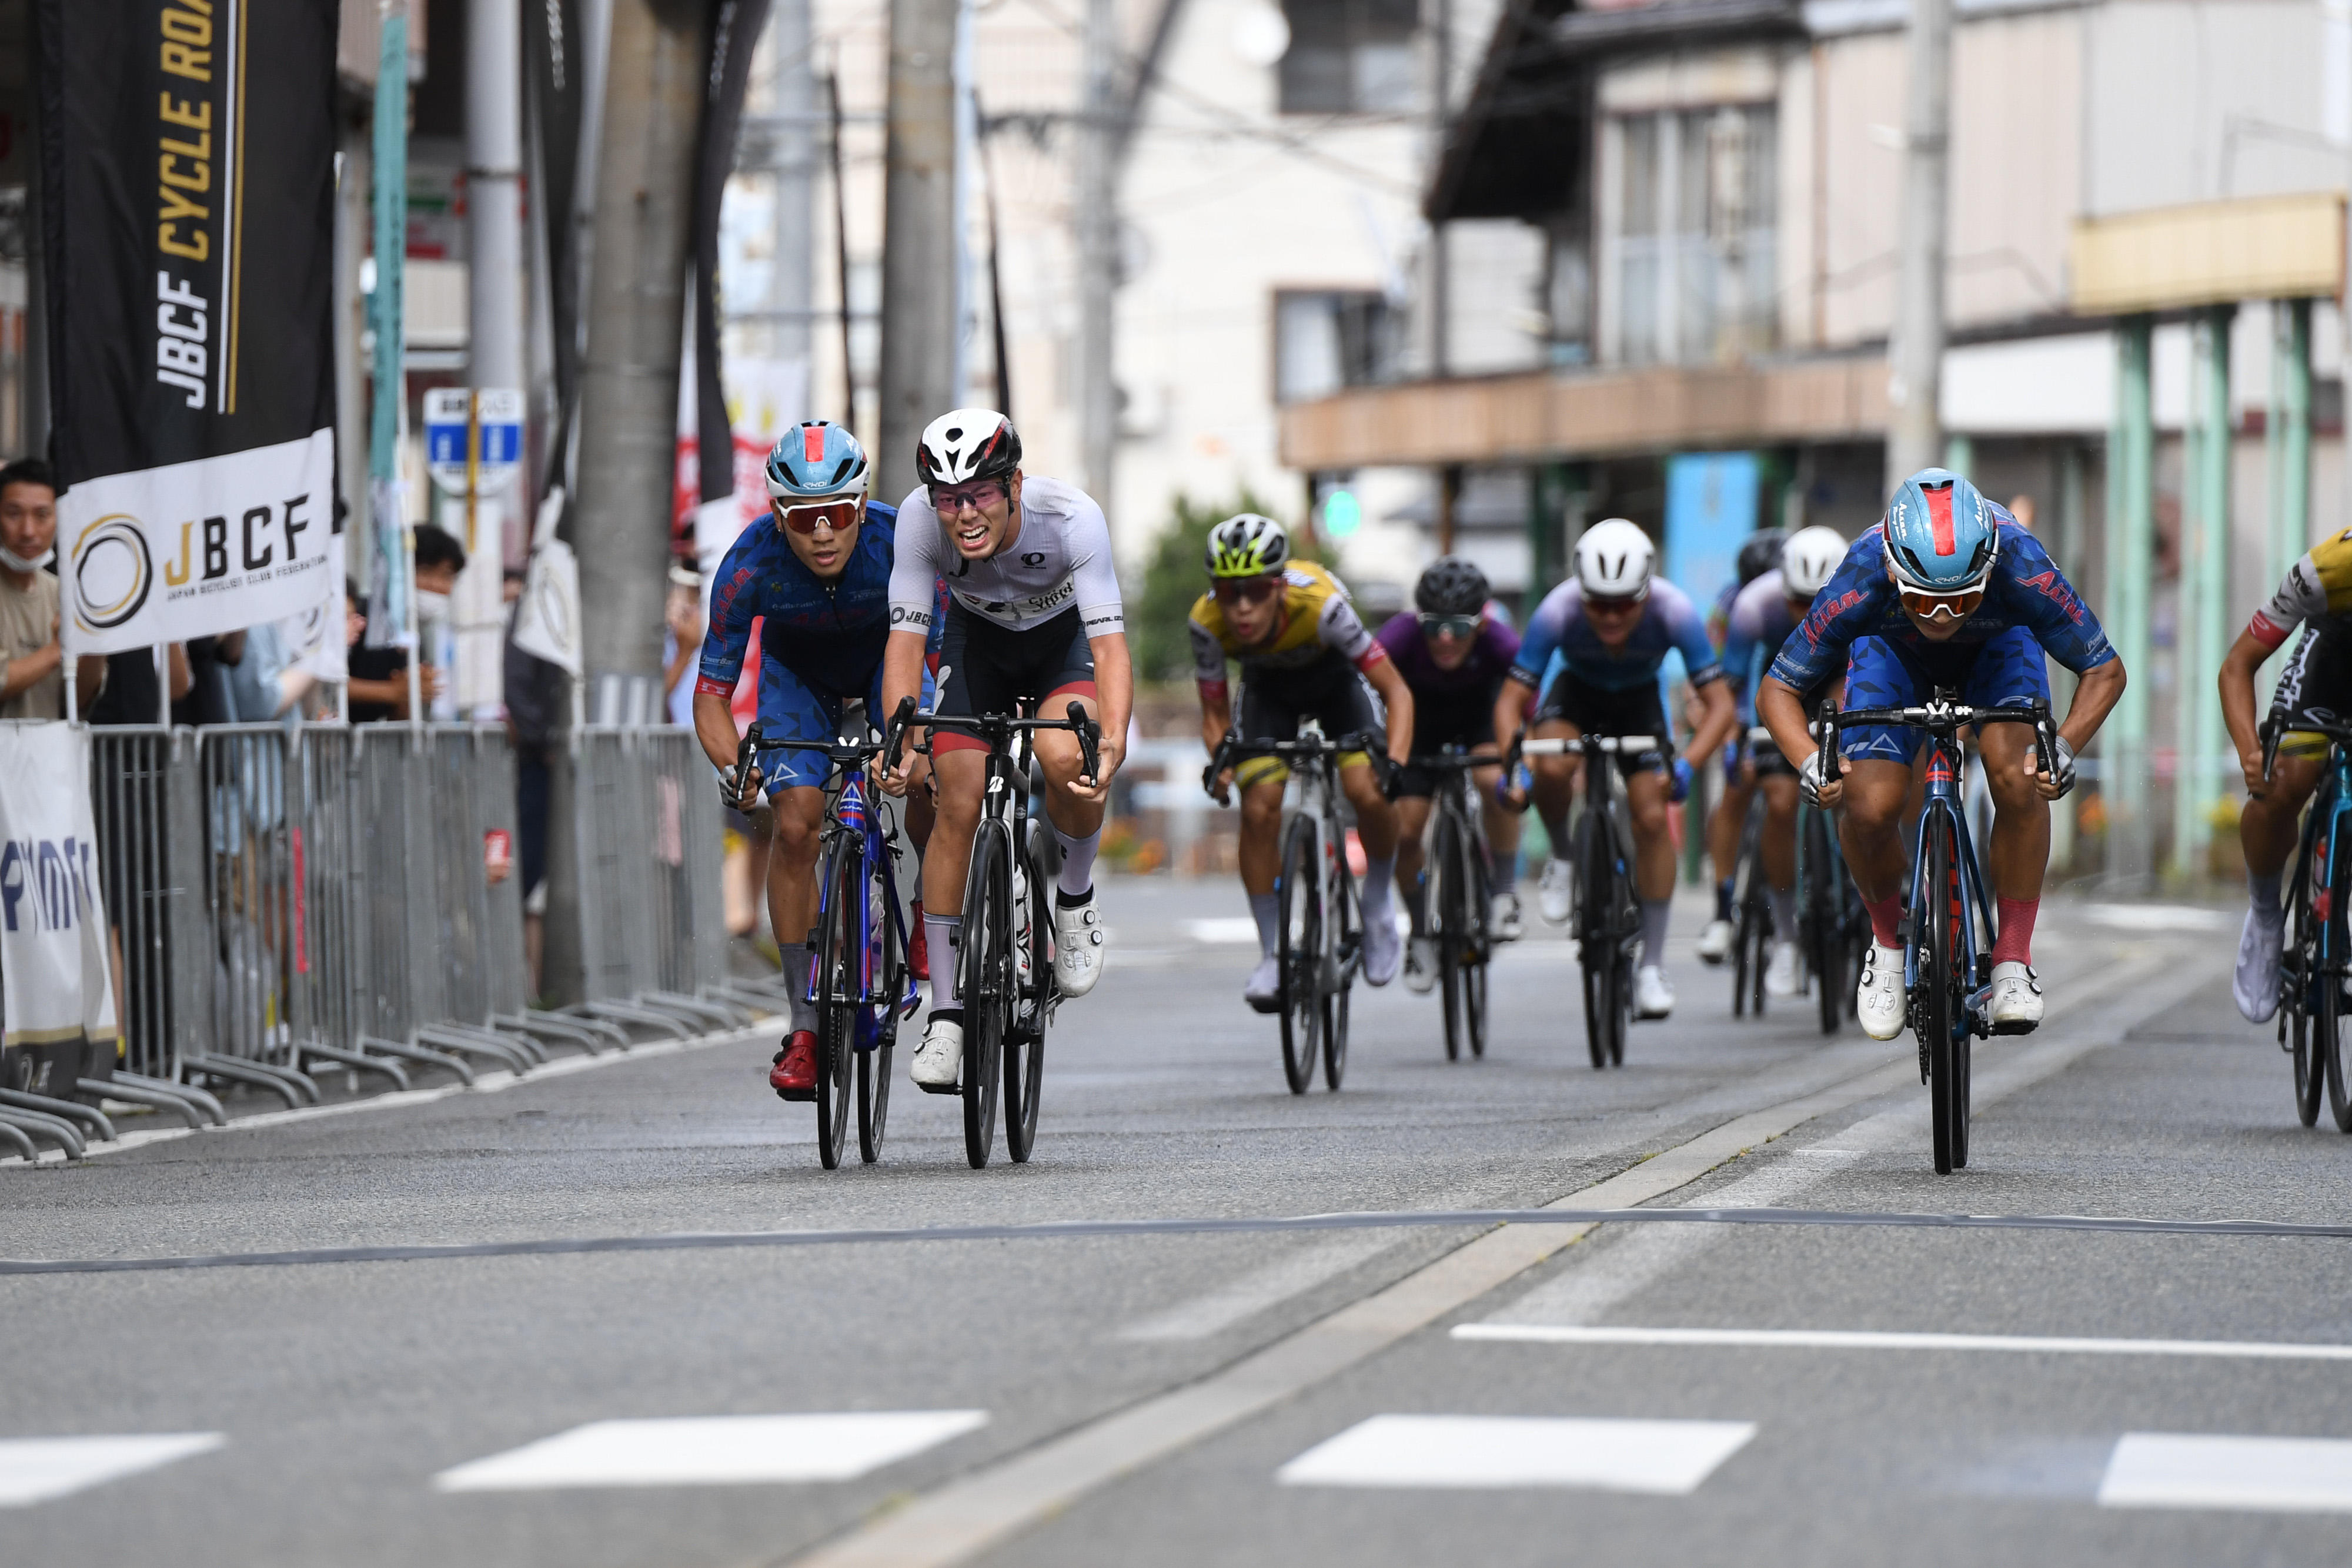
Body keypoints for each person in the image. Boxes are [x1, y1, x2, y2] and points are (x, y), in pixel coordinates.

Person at [1755, 469, 2124, 1039]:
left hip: (1998, 652)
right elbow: (1777, 689)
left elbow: (2103, 670)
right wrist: (1810, 761)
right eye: (1924, 601)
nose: (1943, 617)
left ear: (1989, 567)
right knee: (1869, 802)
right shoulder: (1861, 571)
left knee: (2018, 774)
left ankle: (2011, 959)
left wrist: (2065, 746)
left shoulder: (2020, 562)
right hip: (1892, 659)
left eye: (1961, 600)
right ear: (1893, 571)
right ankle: (1885, 944)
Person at [878, 409, 1131, 1091]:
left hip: (1061, 648)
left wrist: (1114, 738)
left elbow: (1108, 646)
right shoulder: (916, 521)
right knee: (954, 797)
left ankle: (1074, 902)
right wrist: (901, 738)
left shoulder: (1072, 519)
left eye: (981, 494)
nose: (963, 514)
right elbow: (905, 643)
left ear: (1015, 484)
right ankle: (948, 1018)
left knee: (1065, 760)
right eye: (949, 499)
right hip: (978, 643)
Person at [695, 420, 931, 1101]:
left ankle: (923, 913)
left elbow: (938, 652)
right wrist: (736, 770)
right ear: (776, 515)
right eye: (803, 518)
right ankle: (803, 1026)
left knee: (927, 776)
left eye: (836, 514)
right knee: (794, 823)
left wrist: (914, 744)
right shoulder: (748, 563)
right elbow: (710, 698)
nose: (822, 533)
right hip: (799, 679)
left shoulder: (901, 541)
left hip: (892, 662)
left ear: (861, 506)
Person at [1494, 518, 1738, 1021]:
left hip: (1639, 702)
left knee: (1651, 817)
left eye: (1624, 604)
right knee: (1550, 761)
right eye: (1598, 604)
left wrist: (1689, 763)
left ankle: (1651, 965)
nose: (1610, 617)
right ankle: (1563, 857)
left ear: (1646, 594)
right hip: (1575, 696)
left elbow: (1719, 707)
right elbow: (1511, 702)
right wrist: (1514, 763)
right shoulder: (1556, 611)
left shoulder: (1674, 611)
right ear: (1580, 595)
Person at [1191, 513, 1412, 1010]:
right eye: (1228, 593)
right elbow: (1213, 712)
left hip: (1338, 686)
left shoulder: (1323, 607)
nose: (1242, 608)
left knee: (1365, 791)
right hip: (1269, 692)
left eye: (1255, 591)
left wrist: (1395, 761)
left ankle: (1377, 903)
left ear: (1279, 586)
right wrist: (1221, 760)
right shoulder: (1205, 622)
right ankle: (1272, 954)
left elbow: (1396, 691)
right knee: (1259, 807)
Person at [1695, 525, 1848, 992]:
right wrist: (1735, 745)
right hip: (1780, 685)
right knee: (1775, 799)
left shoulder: (1861, 601)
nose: (1806, 614)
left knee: (1857, 772)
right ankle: (1784, 935)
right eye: (1797, 601)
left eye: (1816, 602)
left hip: (1837, 680)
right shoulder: (1750, 605)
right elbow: (1735, 690)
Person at [2219, 526, 2352, 1019]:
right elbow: (2237, 665)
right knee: (2286, 781)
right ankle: (2267, 916)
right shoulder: (2326, 570)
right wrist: (2250, 751)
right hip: (2333, 657)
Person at [1377, 556, 1524, 992]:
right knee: (1406, 833)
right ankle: (1421, 932)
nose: (1444, 637)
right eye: (1434, 625)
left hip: (1479, 723)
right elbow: (1365, 687)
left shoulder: (1500, 642)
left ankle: (1502, 892)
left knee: (1492, 780)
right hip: (1417, 729)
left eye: (1459, 627)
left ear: (1480, 624)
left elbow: (1528, 702)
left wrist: (1523, 761)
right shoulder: (1399, 637)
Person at [0, 457, 106, 720]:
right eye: (14, 514)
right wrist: (57, 650)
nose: (28, 531)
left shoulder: (63, 593)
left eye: (42, 515)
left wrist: (98, 638)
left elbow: (78, 698)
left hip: (48, 756)